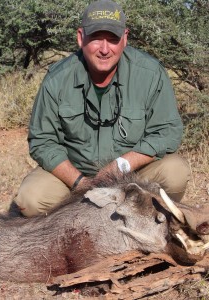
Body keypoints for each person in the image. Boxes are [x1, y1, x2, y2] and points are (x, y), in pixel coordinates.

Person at [13, 0, 191, 217]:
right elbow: (42, 141)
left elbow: (168, 131)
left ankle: (151, 221)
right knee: (30, 199)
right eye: (96, 38)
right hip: (74, 178)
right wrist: (79, 182)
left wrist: (120, 166)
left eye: (113, 39)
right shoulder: (57, 79)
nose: (105, 49)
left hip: (131, 174)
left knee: (176, 172)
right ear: (80, 38)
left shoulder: (151, 73)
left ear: (125, 38)